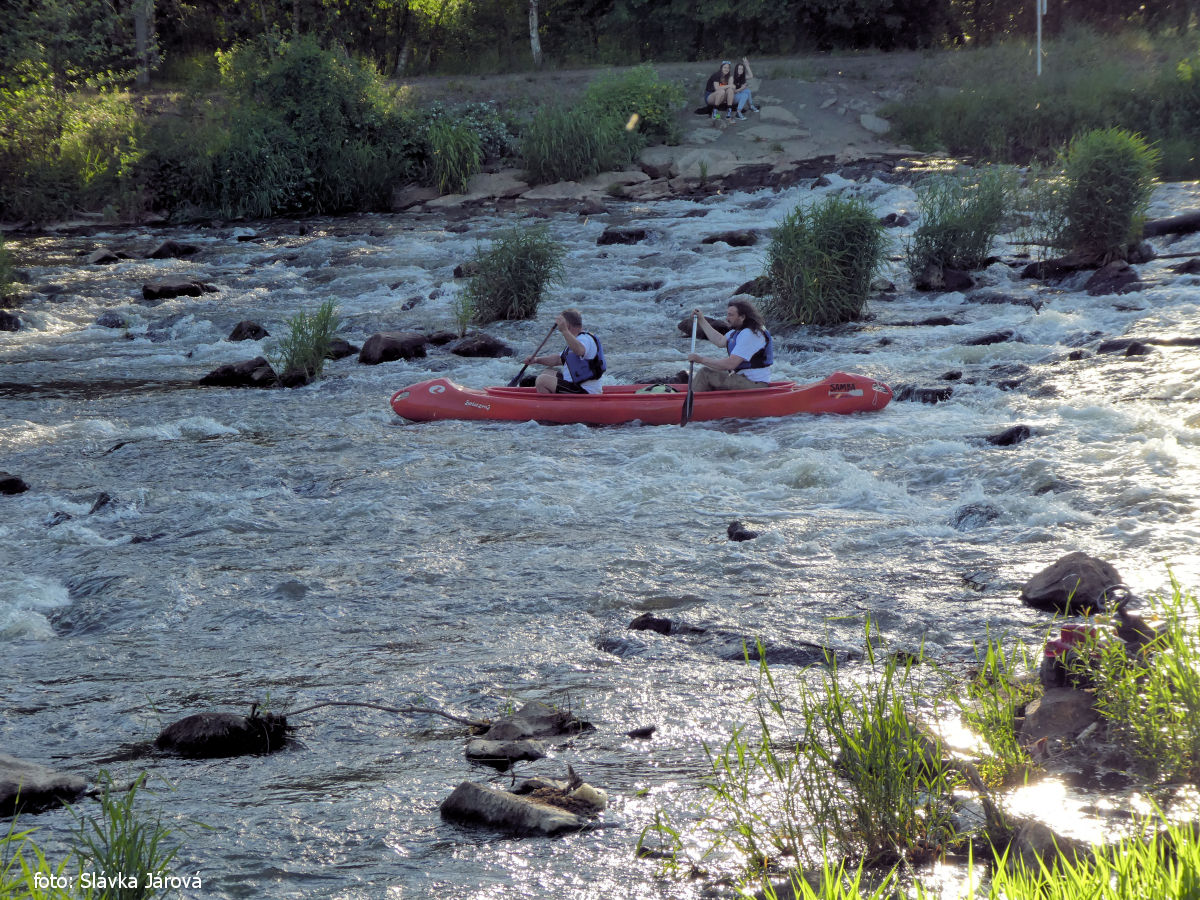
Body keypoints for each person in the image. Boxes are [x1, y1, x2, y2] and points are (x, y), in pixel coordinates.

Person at [687, 299, 773, 391]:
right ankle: (695, 399)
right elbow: (719, 340)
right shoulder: (738, 331)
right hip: (742, 379)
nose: (727, 318)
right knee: (692, 376)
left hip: (755, 384)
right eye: (727, 314)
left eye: (731, 315)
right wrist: (701, 320)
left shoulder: (751, 334)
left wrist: (701, 360)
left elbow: (730, 364)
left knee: (705, 374)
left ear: (742, 317)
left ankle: (691, 402)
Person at [524, 308, 606, 394]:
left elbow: (580, 350)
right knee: (547, 373)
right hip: (575, 386)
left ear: (567, 325)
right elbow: (558, 360)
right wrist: (537, 360)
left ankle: (547, 406)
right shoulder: (575, 340)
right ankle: (554, 402)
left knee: (542, 380)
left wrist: (564, 331)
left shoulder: (585, 339)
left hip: (585, 391)